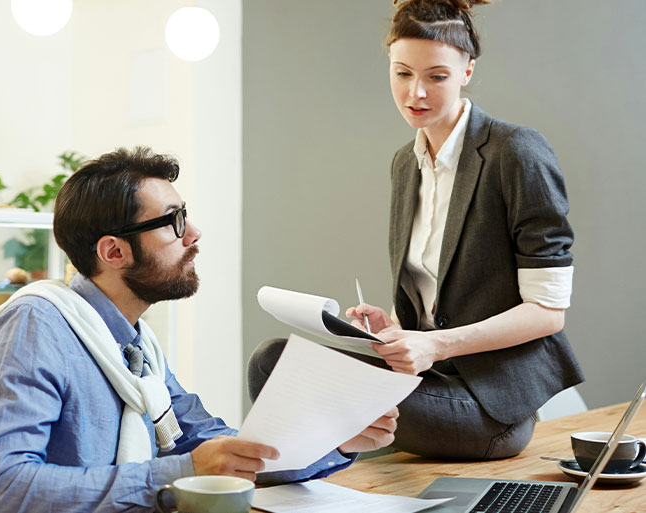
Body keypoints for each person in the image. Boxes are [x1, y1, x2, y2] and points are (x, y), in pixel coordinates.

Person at [0, 147, 398, 512]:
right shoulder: (35, 327)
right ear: (114, 251)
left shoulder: (136, 347)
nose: (195, 233)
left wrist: (332, 440)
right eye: (175, 221)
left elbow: (213, 448)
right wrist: (179, 473)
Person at [248, 0, 583, 460]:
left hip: (487, 408)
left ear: (467, 70)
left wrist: (433, 344)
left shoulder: (516, 152)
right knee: (274, 359)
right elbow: (434, 297)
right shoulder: (406, 163)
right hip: (427, 382)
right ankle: (301, 485)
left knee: (297, 383)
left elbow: (548, 312)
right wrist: (396, 329)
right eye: (403, 73)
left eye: (436, 76)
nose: (416, 93)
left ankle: (312, 473)